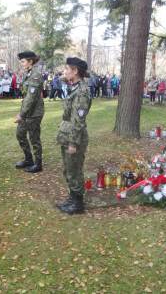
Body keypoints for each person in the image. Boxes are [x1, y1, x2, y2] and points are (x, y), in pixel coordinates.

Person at [56, 57, 92, 214]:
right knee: (68, 169)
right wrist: (65, 77)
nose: (64, 72)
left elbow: (78, 120)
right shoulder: (75, 86)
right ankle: (72, 197)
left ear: (75, 71)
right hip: (68, 135)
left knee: (74, 170)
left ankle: (77, 204)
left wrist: (73, 143)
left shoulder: (82, 91)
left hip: (74, 138)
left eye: (67, 69)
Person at [15, 51, 44, 173]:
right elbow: (26, 96)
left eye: (23, 61)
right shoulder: (29, 73)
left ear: (30, 61)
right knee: (20, 134)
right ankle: (28, 159)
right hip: (27, 111)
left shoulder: (35, 75)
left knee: (34, 138)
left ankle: (38, 164)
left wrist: (21, 114)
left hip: (34, 112)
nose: (21, 64)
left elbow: (31, 98)